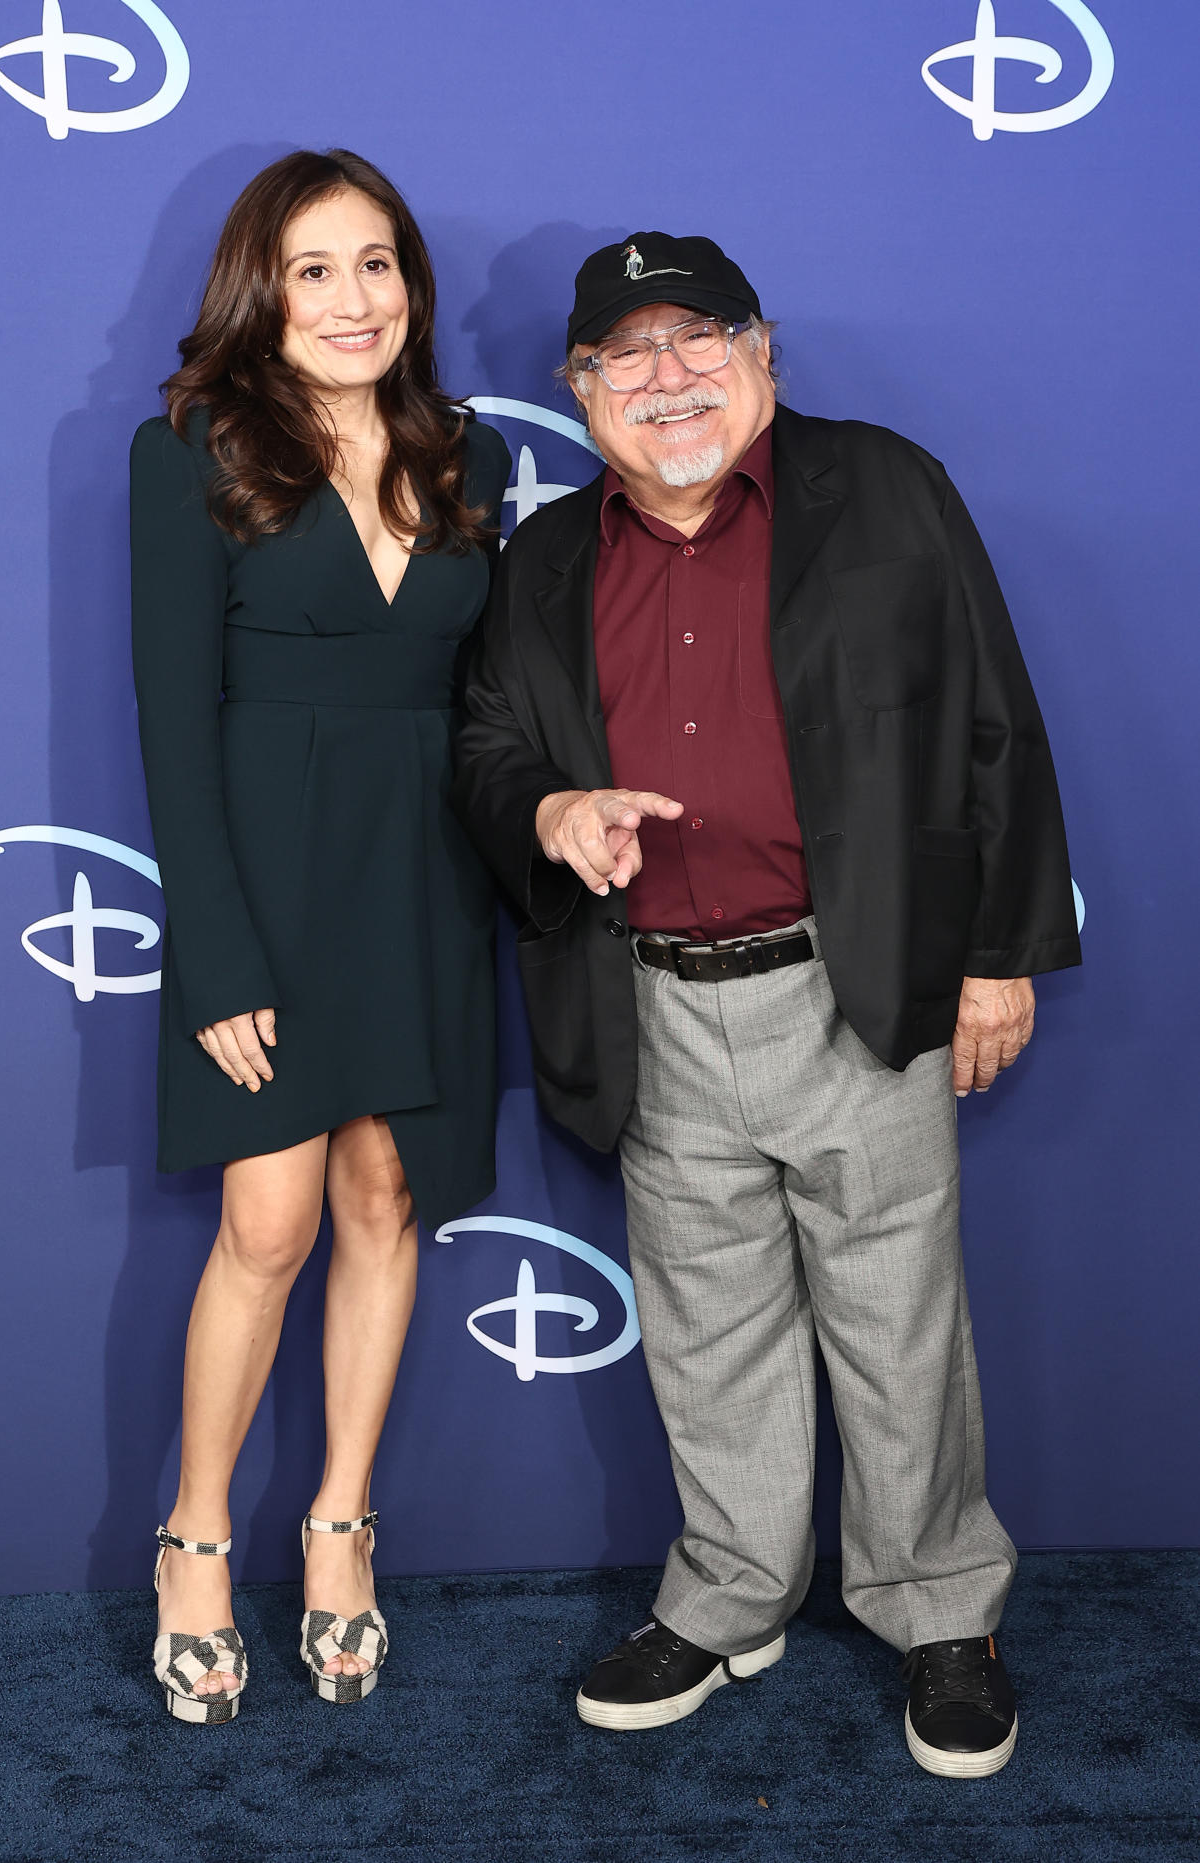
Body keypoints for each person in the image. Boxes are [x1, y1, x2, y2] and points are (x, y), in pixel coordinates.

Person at [452, 232, 1080, 1775]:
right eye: (624, 356)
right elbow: (482, 745)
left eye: (698, 339)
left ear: (763, 353)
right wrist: (544, 813)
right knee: (706, 1336)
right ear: (578, 391)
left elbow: (991, 716)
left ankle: (939, 1610)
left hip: (850, 982)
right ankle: (731, 1596)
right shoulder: (538, 562)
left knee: (894, 1325)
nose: (665, 377)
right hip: (648, 1002)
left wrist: (995, 954)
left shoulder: (880, 488)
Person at [130, 149, 509, 1723]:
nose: (354, 299)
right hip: (269, 893)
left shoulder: (464, 452)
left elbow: (490, 699)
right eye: (314, 270)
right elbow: (171, 715)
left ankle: (341, 1524)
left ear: (408, 284)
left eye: (377, 264)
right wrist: (213, 955)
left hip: (423, 876)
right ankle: (193, 1541)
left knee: (381, 1201)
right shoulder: (196, 450)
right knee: (267, 1224)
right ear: (260, 292)